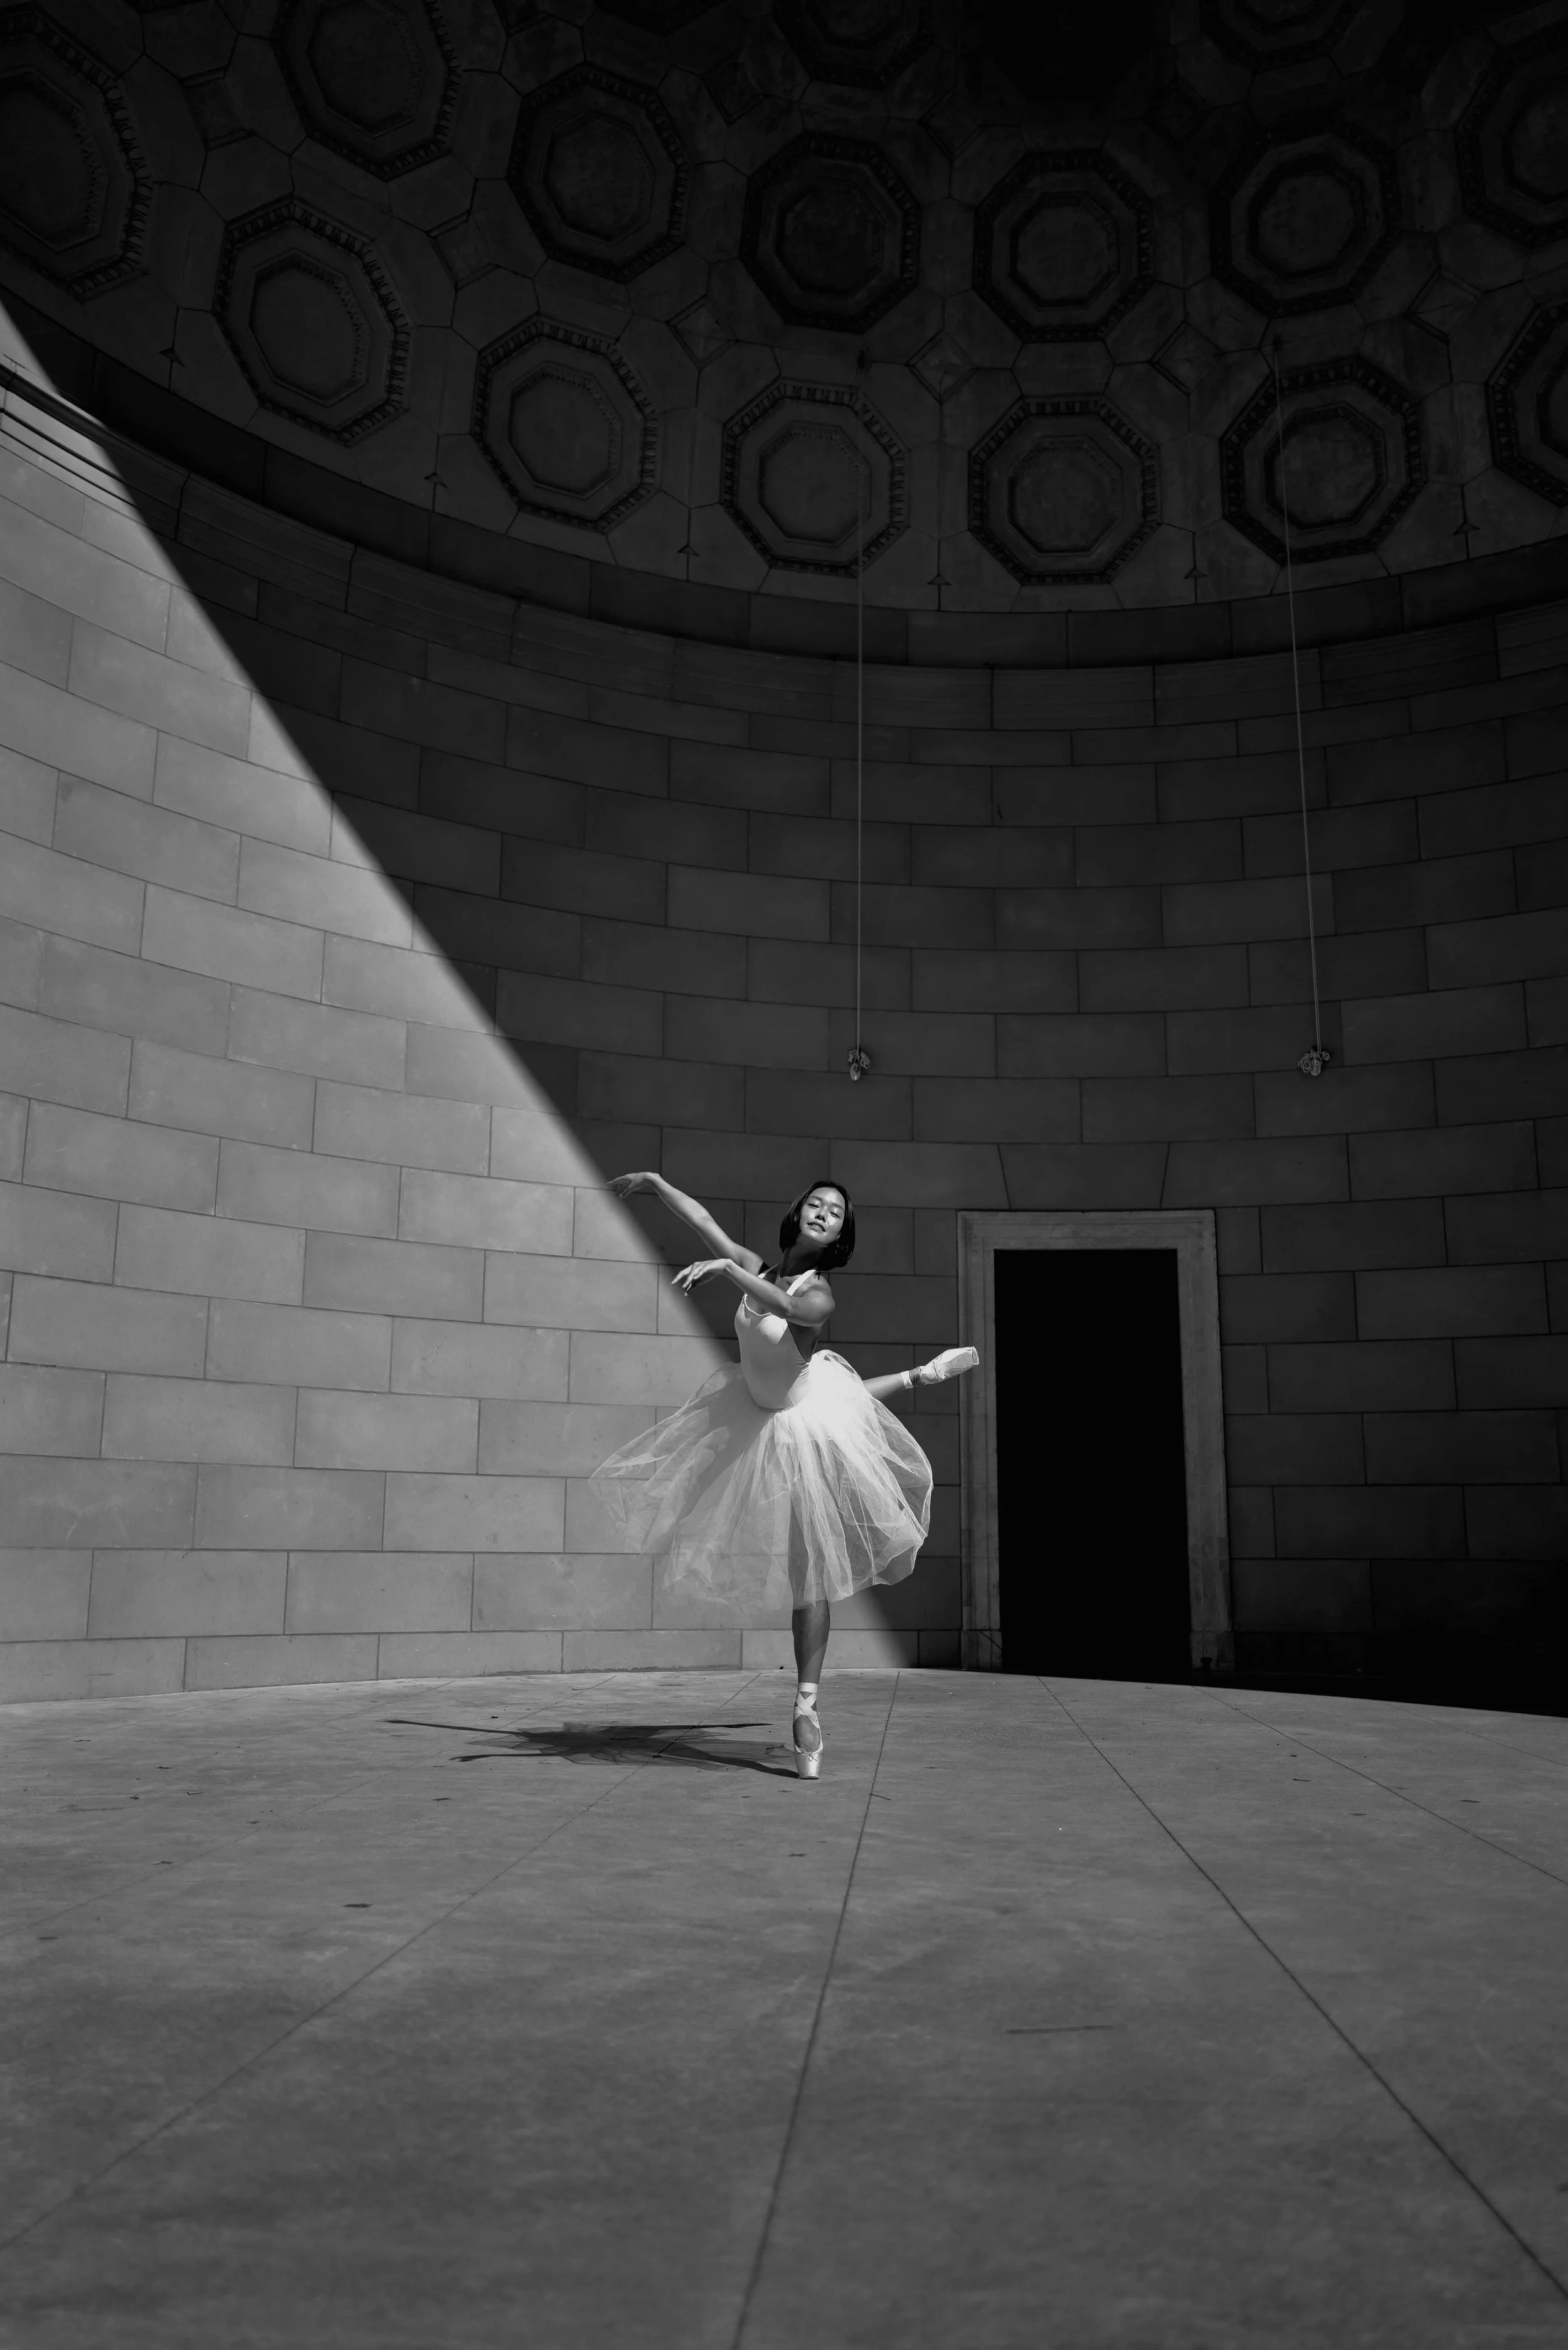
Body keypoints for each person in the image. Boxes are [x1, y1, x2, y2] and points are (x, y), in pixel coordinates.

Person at [589, 1172, 979, 1780]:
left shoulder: (818, 1292)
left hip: (801, 1426)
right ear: (797, 1213)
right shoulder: (756, 1265)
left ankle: (805, 1703)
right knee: (812, 1416)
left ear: (839, 1236)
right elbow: (702, 1220)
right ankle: (917, 1376)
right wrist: (655, 1182)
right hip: (756, 1410)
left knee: (809, 1568)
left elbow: (788, 1308)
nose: (824, 1213)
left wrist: (724, 1270)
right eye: (816, 1204)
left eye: (836, 1213)